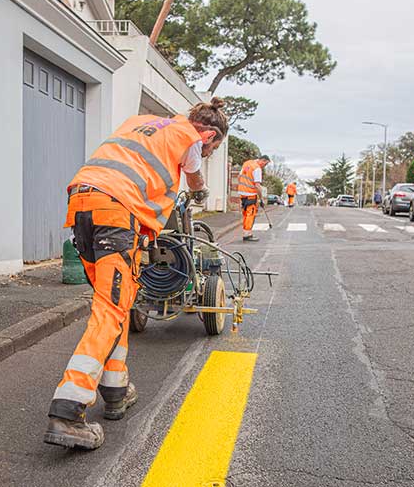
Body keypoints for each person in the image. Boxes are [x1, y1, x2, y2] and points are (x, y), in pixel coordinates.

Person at [44, 99, 229, 450]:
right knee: (110, 312)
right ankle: (67, 412)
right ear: (207, 134)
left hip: (82, 204)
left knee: (119, 303)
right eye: (212, 149)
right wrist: (201, 189)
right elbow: (194, 177)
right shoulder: (189, 138)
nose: (206, 153)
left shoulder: (142, 123)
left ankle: (115, 390)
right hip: (117, 213)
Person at [237, 155, 271, 242]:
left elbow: (239, 177)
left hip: (242, 193)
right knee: (250, 214)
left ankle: (246, 232)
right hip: (250, 193)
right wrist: (261, 198)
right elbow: (257, 185)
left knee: (245, 213)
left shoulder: (247, 163)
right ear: (263, 161)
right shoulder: (257, 168)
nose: (264, 166)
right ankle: (247, 234)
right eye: (265, 164)